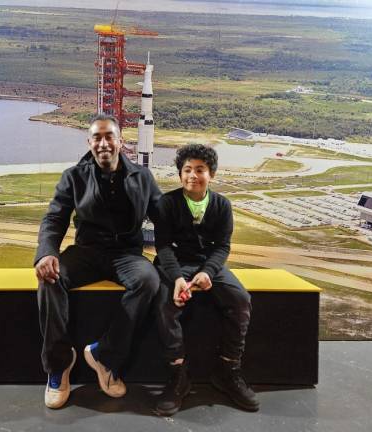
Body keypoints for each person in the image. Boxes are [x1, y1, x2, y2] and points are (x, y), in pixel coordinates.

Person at [34, 114, 162, 409]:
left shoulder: (142, 177)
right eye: (97, 137)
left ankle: (104, 355)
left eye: (109, 136)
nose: (103, 143)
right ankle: (59, 364)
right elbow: (54, 217)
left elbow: (164, 219)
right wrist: (47, 253)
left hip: (126, 255)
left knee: (149, 280)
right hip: (86, 252)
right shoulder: (73, 176)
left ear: (120, 141)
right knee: (49, 277)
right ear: (89, 142)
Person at [153, 144, 259, 416]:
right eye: (187, 170)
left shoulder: (222, 205)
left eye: (200, 170)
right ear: (179, 174)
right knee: (165, 305)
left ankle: (228, 370)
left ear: (211, 174)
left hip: (208, 264)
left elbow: (222, 247)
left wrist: (208, 272)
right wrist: (176, 278)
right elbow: (163, 247)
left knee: (241, 300)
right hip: (175, 264)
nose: (192, 175)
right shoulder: (167, 203)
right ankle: (178, 375)